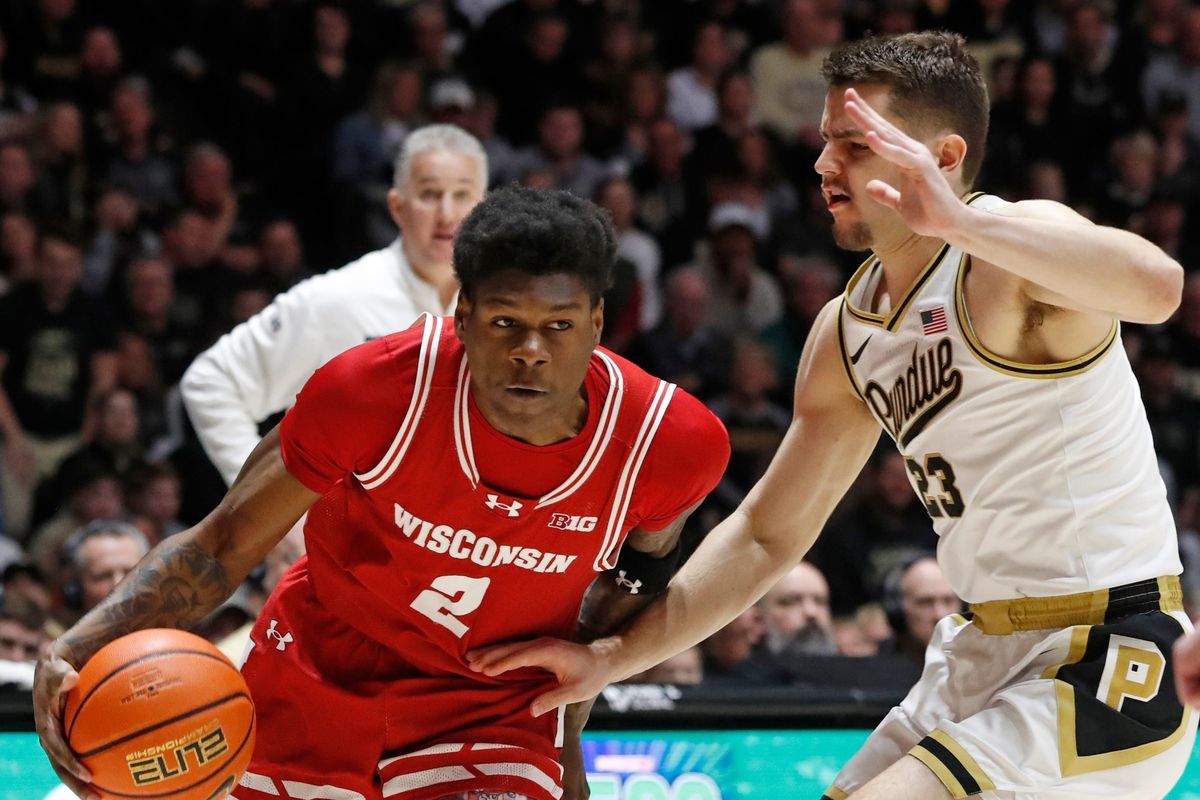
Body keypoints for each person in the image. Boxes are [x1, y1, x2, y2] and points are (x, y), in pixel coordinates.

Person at [468, 32, 1197, 800]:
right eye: (825, 142)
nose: (822, 165)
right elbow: (763, 537)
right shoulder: (847, 333)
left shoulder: (1011, 255)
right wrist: (614, 659)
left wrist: (962, 223)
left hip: (1108, 651)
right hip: (980, 650)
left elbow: (1158, 287)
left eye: (852, 144)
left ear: (943, 157)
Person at [35, 186, 730, 800]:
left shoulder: (667, 443)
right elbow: (223, 543)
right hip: (318, 663)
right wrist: (77, 644)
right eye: (504, 323)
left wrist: (566, 733)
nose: (531, 351)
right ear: (462, 316)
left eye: (558, 325)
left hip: (492, 698)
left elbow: (628, 591)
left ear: (597, 323)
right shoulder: (370, 391)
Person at [181, 124, 487, 486]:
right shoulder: (339, 297)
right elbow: (211, 381)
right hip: (352, 536)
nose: (447, 213)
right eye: (430, 194)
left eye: (462, 194)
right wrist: (264, 511)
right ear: (397, 206)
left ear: (483, 206)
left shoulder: (504, 308)